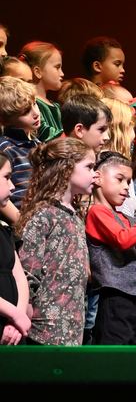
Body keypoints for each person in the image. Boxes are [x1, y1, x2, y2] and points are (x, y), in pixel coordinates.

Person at [16, 139, 94, 345]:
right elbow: (28, 268)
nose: (95, 174)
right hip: (44, 325)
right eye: (89, 167)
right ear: (66, 169)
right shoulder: (44, 214)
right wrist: (26, 310)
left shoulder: (75, 215)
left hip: (72, 323)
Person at [85, 151, 136, 344]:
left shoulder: (128, 219)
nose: (126, 187)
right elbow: (122, 240)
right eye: (120, 179)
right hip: (113, 299)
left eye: (128, 182)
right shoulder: (97, 212)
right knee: (114, 359)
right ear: (99, 177)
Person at [0, 75, 43, 214]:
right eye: (26, 111)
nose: (36, 113)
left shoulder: (37, 144)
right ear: (6, 119)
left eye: (35, 103)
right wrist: (19, 223)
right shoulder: (5, 148)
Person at [0, 154, 31, 344]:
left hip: (14, 328)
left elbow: (19, 275)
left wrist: (18, 316)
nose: (12, 186)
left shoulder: (3, 229)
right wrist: (14, 314)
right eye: (6, 177)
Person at [19, 41, 63, 141]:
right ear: (38, 72)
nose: (62, 73)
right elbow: (46, 134)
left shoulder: (56, 106)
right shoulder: (33, 105)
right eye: (57, 67)